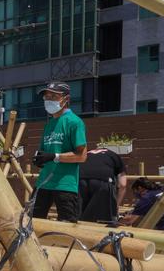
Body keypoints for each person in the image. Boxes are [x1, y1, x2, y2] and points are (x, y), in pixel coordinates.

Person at [31, 81, 87, 222]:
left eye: (53, 96)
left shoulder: (74, 122)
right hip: (43, 182)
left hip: (65, 184)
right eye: (46, 97)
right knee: (30, 223)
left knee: (67, 229)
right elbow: (46, 152)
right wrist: (40, 159)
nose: (48, 100)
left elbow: (82, 156)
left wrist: (54, 156)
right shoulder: (49, 125)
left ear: (66, 99)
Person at [78, 148, 127, 223]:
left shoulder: (86, 154)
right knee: (102, 220)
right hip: (102, 181)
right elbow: (123, 184)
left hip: (80, 180)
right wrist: (115, 206)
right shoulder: (114, 156)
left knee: (81, 217)